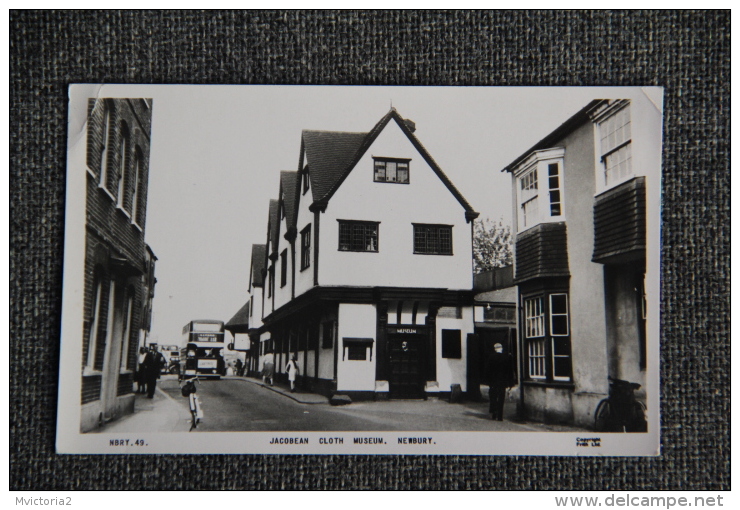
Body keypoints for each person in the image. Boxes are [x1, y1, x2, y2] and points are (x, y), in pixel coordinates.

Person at [485, 343, 514, 421]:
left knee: (493, 397)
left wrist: (488, 381)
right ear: (502, 348)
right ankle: (500, 416)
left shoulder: (491, 357)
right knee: (501, 398)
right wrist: (510, 384)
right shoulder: (507, 357)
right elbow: (510, 371)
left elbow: (487, 370)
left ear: (495, 349)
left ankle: (494, 413)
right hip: (503, 382)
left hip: (493, 382)